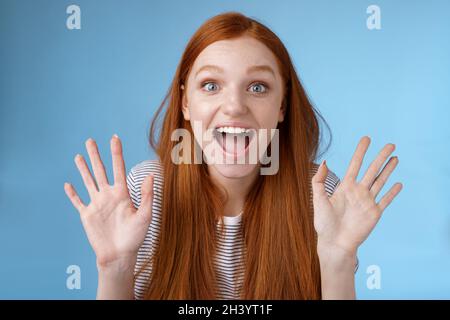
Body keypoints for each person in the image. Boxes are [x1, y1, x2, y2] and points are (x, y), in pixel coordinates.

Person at [63, 12, 402, 300]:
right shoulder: (145, 192)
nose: (235, 106)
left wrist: (339, 258)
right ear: (185, 103)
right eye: (211, 85)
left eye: (258, 87)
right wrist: (114, 268)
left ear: (282, 106)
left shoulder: (319, 194)